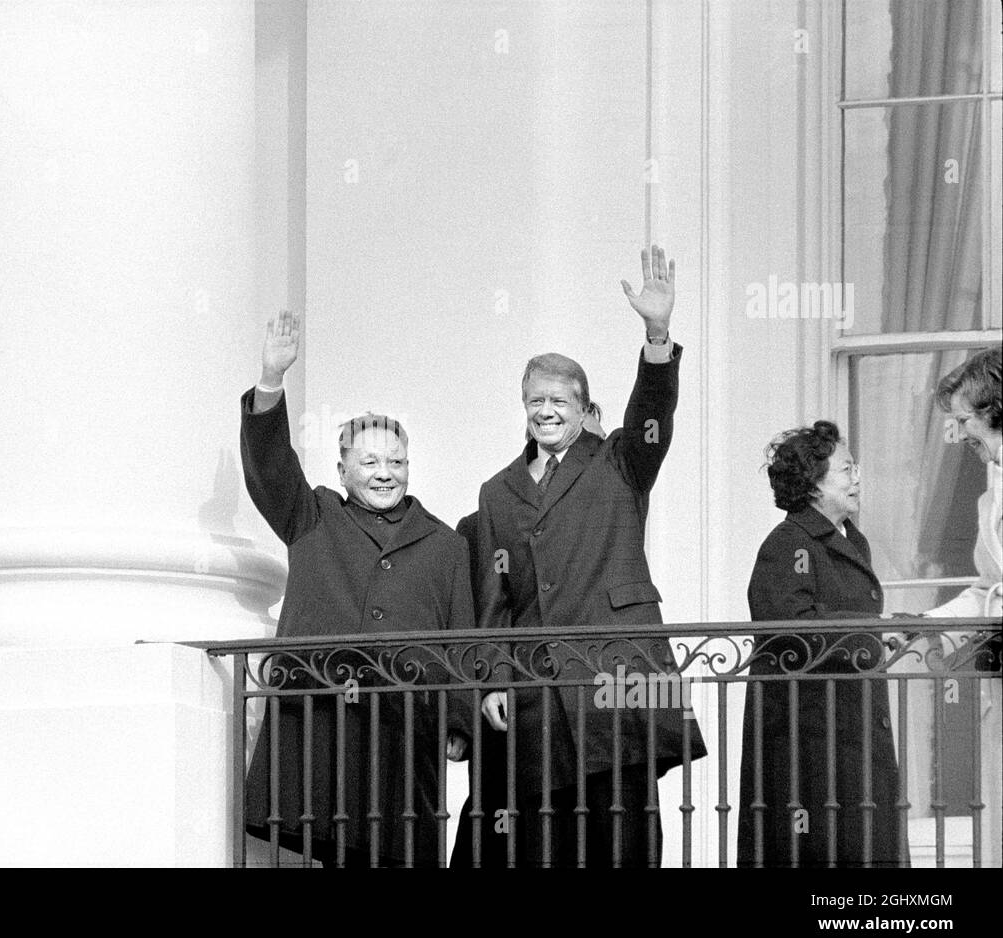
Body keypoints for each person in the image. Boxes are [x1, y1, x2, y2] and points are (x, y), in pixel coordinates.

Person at [463, 246, 706, 867]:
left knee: (624, 839)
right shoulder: (497, 491)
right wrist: (492, 677)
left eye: (559, 402)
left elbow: (653, 413)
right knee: (550, 845)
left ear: (581, 408)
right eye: (534, 401)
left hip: (617, 678)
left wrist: (657, 336)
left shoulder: (620, 463)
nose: (545, 411)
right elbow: (496, 597)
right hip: (539, 691)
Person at [241, 310, 473, 867]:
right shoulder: (312, 515)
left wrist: (460, 723)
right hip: (320, 722)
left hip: (403, 733)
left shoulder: (446, 546)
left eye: (395, 461)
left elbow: (464, 641)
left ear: (410, 468)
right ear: (343, 469)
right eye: (368, 461)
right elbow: (272, 469)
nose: (384, 472)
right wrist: (271, 382)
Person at [737, 421, 905, 867]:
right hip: (810, 741)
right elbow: (789, 624)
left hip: (850, 729)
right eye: (846, 469)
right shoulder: (789, 543)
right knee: (824, 849)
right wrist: (873, 633)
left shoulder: (852, 540)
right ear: (813, 484)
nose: (857, 478)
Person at [924, 346, 1001, 866]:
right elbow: (989, 587)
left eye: (962, 420)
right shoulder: (990, 488)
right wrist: (924, 626)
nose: (958, 434)